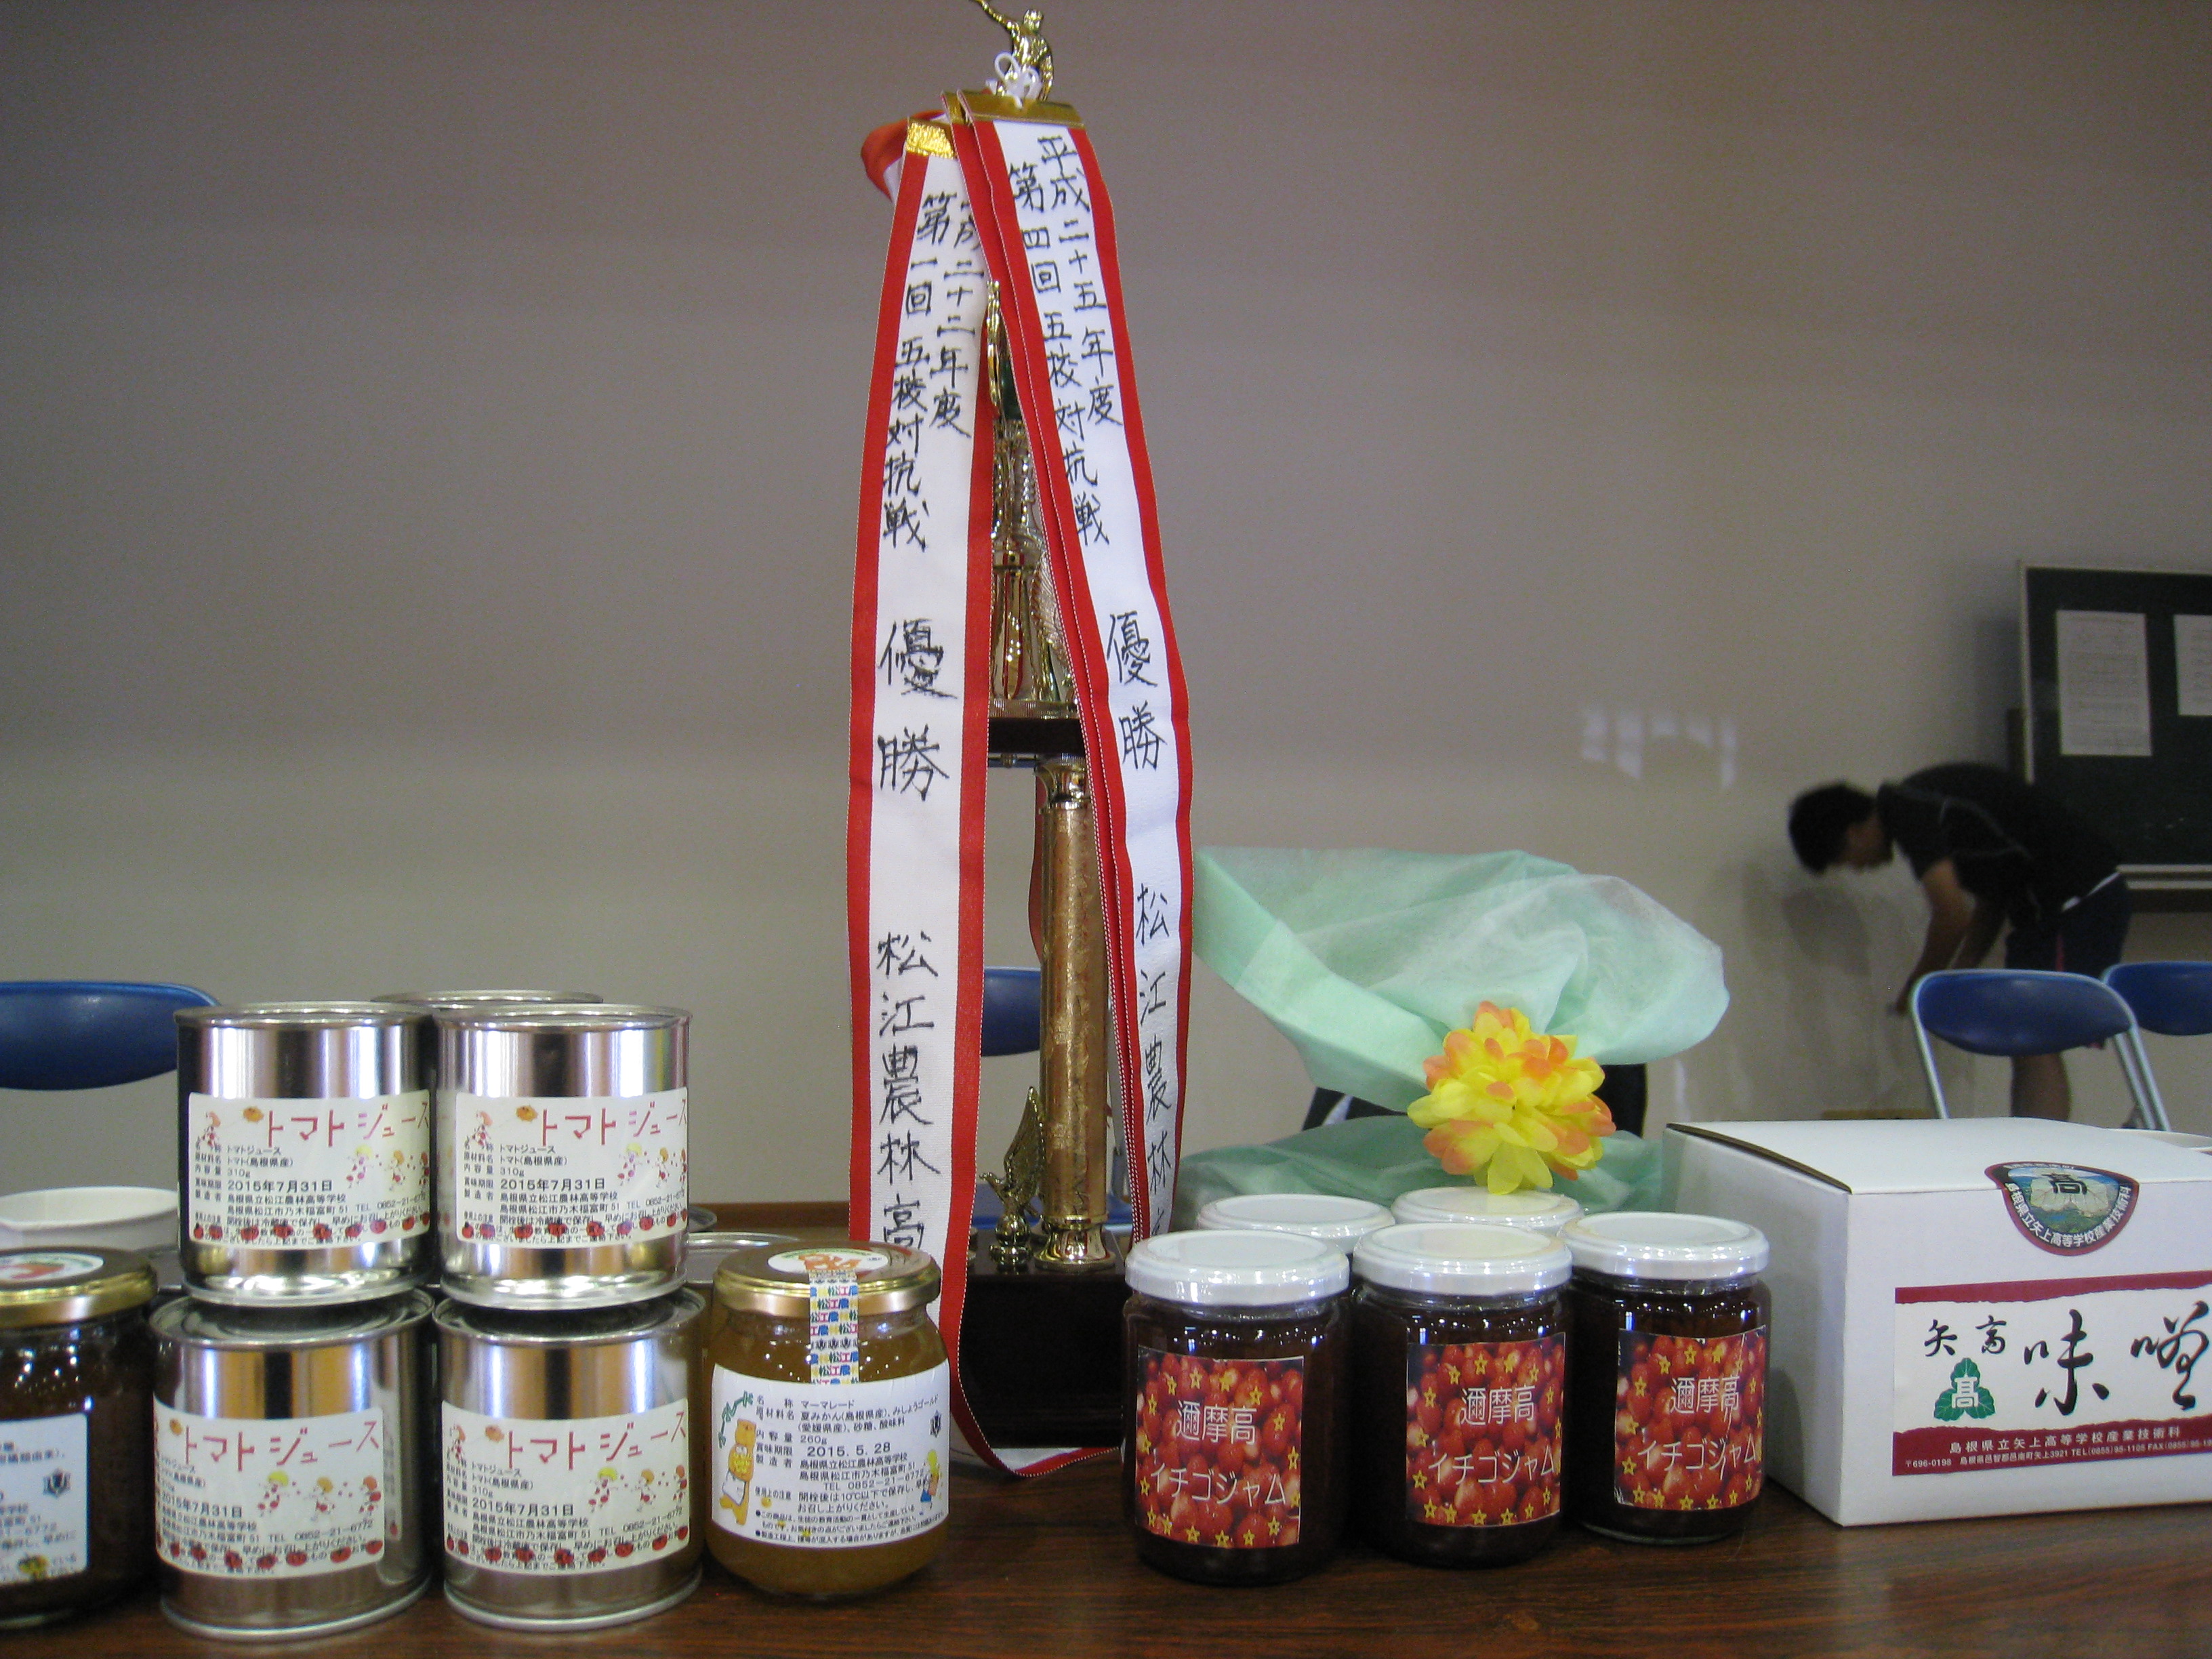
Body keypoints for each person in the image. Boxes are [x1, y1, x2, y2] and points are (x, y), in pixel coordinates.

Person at [1789, 763, 2129, 1120]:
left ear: (1854, 832)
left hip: (2076, 902)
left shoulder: (1909, 809)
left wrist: (1919, 986)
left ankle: (2042, 1147)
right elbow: (1992, 899)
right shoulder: (1925, 805)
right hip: (2046, 911)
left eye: (1845, 860)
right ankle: (2028, 1140)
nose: (1857, 868)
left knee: (2036, 1037)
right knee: (2026, 1037)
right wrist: (1963, 968)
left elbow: (1952, 915)